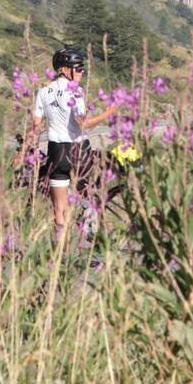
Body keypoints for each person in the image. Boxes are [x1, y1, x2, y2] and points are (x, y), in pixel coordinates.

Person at [32, 45, 117, 244]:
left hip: (56, 152)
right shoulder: (75, 91)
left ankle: (59, 251)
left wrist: (21, 153)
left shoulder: (43, 91)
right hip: (78, 151)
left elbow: (36, 126)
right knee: (92, 195)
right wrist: (109, 112)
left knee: (59, 211)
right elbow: (83, 123)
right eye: (78, 68)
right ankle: (91, 229)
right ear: (65, 69)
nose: (81, 72)